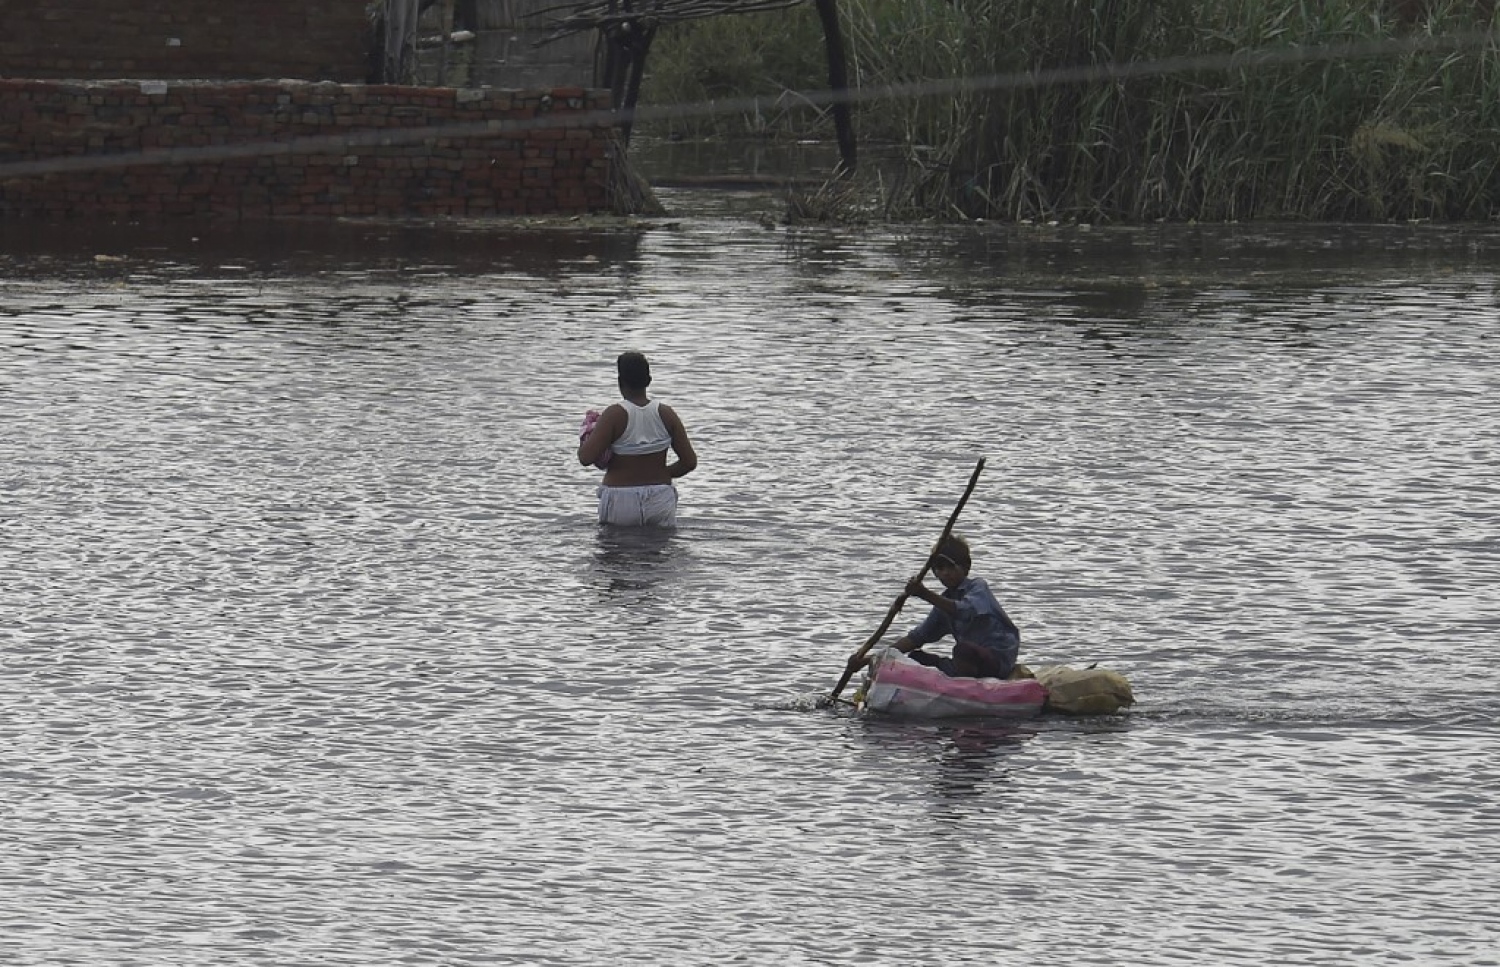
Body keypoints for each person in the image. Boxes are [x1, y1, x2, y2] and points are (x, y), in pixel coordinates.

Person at [850, 535, 1021, 679]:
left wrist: (925, 594)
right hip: (968, 665)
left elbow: (964, 611)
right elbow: (916, 638)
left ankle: (968, 688)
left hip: (997, 660)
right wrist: (868, 659)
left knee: (963, 650)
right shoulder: (944, 603)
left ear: (966, 567)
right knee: (915, 658)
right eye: (940, 568)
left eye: (951, 566)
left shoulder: (978, 588)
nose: (945, 572)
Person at [577, 351, 697, 527]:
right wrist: (660, 472)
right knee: (659, 551)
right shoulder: (666, 414)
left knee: (615, 550)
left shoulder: (614, 415)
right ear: (648, 380)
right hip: (660, 498)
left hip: (621, 499)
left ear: (620, 382)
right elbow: (689, 462)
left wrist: (587, 433)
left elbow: (585, 458)